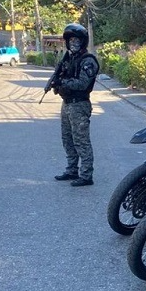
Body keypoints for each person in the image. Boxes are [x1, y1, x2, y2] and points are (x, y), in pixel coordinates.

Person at [52, 23, 100, 187]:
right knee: (67, 139)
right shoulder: (69, 58)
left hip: (79, 105)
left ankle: (86, 175)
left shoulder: (88, 61)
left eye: (76, 39)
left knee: (81, 141)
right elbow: (62, 76)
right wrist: (57, 83)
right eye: (70, 40)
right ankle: (72, 170)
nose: (73, 43)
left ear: (83, 41)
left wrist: (63, 82)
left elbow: (82, 83)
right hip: (67, 104)